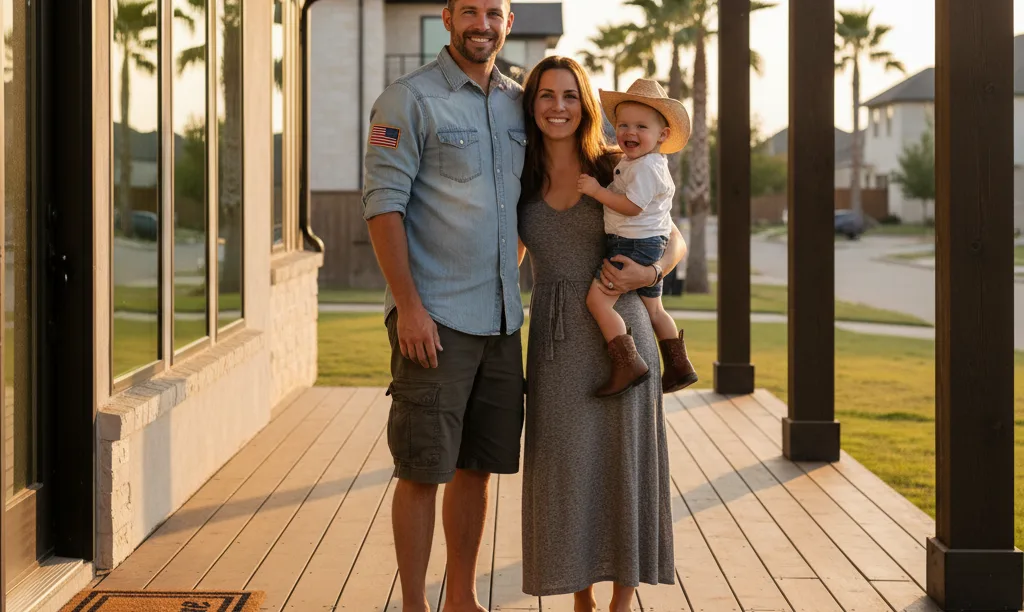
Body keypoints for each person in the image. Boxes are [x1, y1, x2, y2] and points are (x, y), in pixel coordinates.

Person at [361, 1, 525, 610]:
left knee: (477, 466)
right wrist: (410, 307)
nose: (483, 24)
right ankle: (413, 605)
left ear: (507, 21)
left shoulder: (518, 102)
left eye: (495, 12)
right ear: (448, 17)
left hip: (503, 320)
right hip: (435, 321)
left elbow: (524, 203)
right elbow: (382, 207)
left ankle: (461, 598)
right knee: (422, 468)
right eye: (471, 11)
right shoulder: (409, 99)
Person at [517, 56, 685, 612]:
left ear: (585, 105)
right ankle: (580, 593)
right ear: (533, 104)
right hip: (555, 338)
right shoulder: (518, 172)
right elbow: (505, 255)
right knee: (566, 464)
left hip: (623, 330)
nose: (558, 107)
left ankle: (622, 598)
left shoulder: (618, 162)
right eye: (547, 95)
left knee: (624, 460)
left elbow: (672, 236)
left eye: (570, 95)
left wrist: (654, 272)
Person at [577, 79, 699, 397]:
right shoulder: (641, 163)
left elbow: (631, 207)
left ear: (663, 134)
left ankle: (628, 364)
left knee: (598, 301)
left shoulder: (646, 169)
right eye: (623, 125)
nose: (630, 132)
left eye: (641, 126)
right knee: (655, 310)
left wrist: (597, 191)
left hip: (632, 246)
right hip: (649, 244)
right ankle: (679, 365)